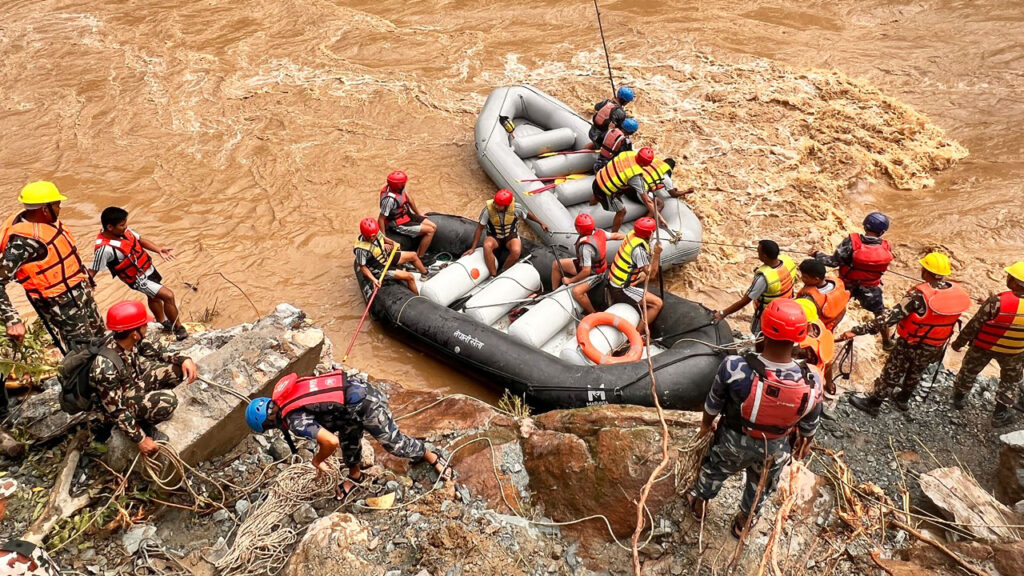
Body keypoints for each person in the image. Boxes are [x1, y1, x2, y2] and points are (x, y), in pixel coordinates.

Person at [687, 299, 823, 537]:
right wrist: (807, 443)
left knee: (714, 469)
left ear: (763, 328)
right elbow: (809, 424)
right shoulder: (812, 379)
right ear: (800, 337)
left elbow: (713, 403)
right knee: (761, 488)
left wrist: (705, 427)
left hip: (734, 439)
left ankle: (699, 506)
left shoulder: (735, 366)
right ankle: (743, 524)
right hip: (776, 445)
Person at [245, 370, 452, 499]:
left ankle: (430, 455)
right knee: (348, 439)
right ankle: (356, 475)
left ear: (268, 425)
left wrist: (317, 461)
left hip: (366, 403)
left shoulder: (294, 420)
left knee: (393, 444)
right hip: (348, 405)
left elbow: (329, 441)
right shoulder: (285, 396)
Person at [0, 182, 104, 419]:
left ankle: (103, 383)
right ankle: (81, 399)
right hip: (61, 305)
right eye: (57, 203)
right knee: (82, 351)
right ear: (45, 208)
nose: (60, 207)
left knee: (100, 338)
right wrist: (12, 319)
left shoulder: (43, 223)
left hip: (79, 293)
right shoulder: (24, 243)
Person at [842, 252, 970, 415]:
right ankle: (903, 399)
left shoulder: (919, 295)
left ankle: (874, 403)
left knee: (893, 371)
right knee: (916, 370)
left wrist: (856, 331)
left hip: (911, 342)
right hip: (935, 344)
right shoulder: (957, 293)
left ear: (926, 271)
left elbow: (889, 319)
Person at [91, 300, 198, 457]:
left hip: (133, 386)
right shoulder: (105, 369)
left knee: (177, 371)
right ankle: (143, 424)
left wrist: (183, 359)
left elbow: (157, 351)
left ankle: (143, 410)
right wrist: (140, 439)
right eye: (144, 325)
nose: (147, 327)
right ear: (135, 332)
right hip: (116, 406)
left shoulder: (129, 339)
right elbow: (116, 410)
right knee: (168, 401)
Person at [89, 207, 187, 341]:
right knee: (168, 296)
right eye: (122, 225)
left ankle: (162, 322)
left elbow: (140, 240)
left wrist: (159, 249)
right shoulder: (104, 249)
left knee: (154, 297)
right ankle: (178, 328)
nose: (125, 227)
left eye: (125, 223)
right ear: (110, 227)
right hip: (138, 279)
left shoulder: (125, 232)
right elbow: (93, 269)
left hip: (148, 268)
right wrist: (87, 284)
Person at [950, 262, 1024, 426]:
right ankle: (999, 415)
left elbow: (973, 326)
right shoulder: (995, 302)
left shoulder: (995, 302)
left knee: (968, 372)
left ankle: (959, 399)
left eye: (1009, 277)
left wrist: (958, 343)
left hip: (984, 346)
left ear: (1015, 283)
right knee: (1009, 381)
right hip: (1014, 352)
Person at [810, 212, 894, 344]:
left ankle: (821, 337)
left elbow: (834, 262)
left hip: (847, 284)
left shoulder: (852, 241)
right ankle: (886, 341)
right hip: (870, 287)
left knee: (835, 308)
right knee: (880, 314)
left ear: (865, 226)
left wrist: (816, 254)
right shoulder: (886, 246)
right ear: (882, 232)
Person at [591, 148, 683, 233]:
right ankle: (614, 234)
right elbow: (647, 201)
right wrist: (660, 218)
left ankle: (591, 205)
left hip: (598, 179)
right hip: (605, 192)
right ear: (646, 164)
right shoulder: (635, 176)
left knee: (598, 193)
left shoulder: (627, 154)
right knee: (622, 212)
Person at [715, 240, 798, 335]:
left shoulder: (763, 278)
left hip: (768, 315)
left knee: (758, 336)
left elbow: (745, 301)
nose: (757, 254)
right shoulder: (788, 261)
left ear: (764, 257)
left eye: (758, 252)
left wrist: (723, 313)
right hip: (787, 310)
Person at [550, 213, 624, 314]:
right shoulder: (600, 232)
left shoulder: (585, 247)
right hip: (588, 265)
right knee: (556, 264)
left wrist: (570, 280)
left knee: (577, 292)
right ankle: (554, 292)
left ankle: (592, 313)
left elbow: (586, 271)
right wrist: (629, 236)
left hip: (595, 274)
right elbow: (616, 235)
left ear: (578, 229)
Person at [465, 189, 549, 277]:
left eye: (499, 205)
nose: (496, 206)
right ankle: (493, 274)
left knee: (516, 251)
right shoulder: (487, 210)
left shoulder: (516, 208)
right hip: (494, 236)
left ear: (506, 205)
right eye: (495, 203)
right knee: (487, 246)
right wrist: (473, 248)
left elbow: (528, 214)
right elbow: (479, 228)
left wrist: (541, 223)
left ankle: (502, 271)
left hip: (510, 235)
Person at [606, 217, 662, 332]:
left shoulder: (632, 234)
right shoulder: (639, 251)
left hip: (616, 278)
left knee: (641, 275)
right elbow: (651, 275)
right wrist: (656, 254)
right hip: (621, 288)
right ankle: (638, 333)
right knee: (657, 303)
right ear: (650, 233)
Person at [354, 218, 425, 295]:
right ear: (365, 235)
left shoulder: (375, 232)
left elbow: (383, 238)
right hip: (380, 269)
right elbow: (362, 267)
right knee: (410, 277)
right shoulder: (361, 250)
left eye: (374, 235)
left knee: (413, 255)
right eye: (371, 236)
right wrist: (374, 280)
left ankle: (425, 274)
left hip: (386, 257)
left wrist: (393, 243)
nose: (373, 238)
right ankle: (417, 297)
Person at [377, 170, 437, 258]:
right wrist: (384, 239)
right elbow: (381, 219)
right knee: (430, 231)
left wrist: (418, 214)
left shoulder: (399, 188)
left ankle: (420, 251)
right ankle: (420, 257)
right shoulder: (389, 200)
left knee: (433, 226)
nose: (405, 184)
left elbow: (409, 199)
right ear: (399, 185)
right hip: (398, 223)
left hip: (407, 215)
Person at [796, 258, 850, 332]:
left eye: (805, 277)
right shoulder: (837, 282)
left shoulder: (809, 299)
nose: (802, 278)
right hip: (835, 320)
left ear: (816, 279)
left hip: (820, 327)